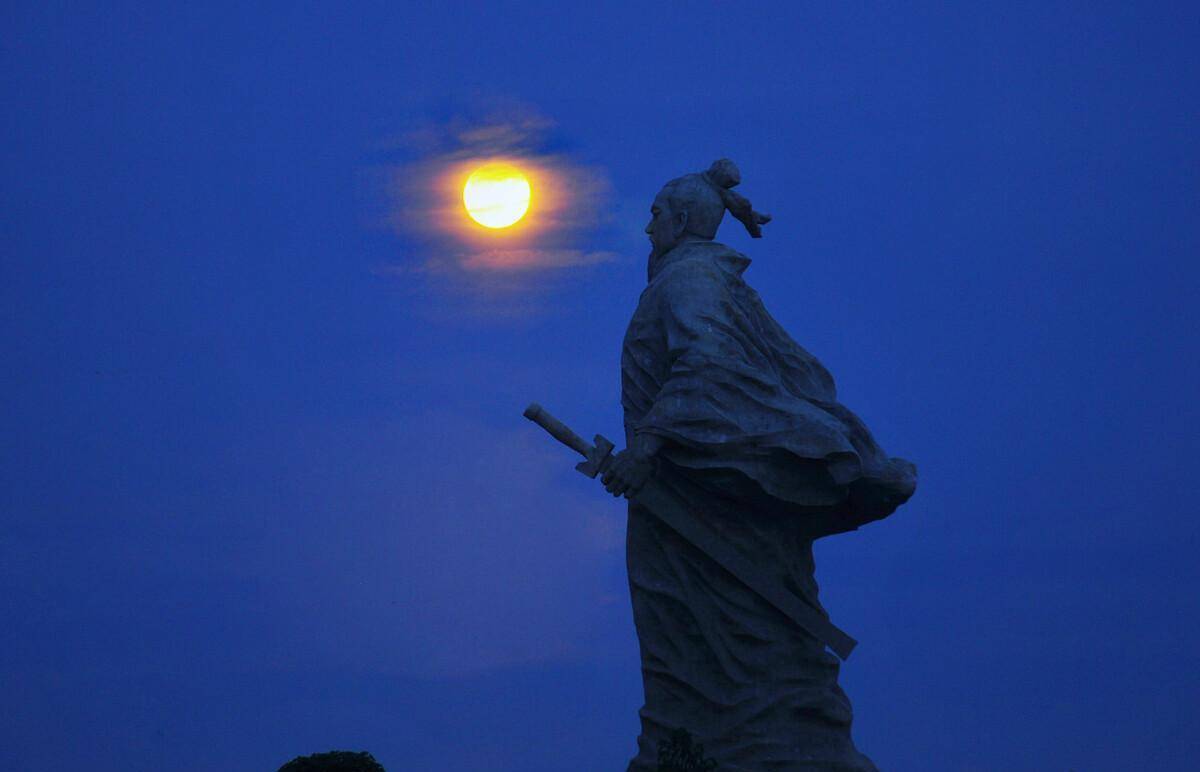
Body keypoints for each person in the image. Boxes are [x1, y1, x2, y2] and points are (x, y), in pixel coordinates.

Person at [601, 160, 917, 771]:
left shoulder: (688, 283)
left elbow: (708, 362)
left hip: (697, 501)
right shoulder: (699, 279)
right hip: (688, 498)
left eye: (656, 215)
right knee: (708, 644)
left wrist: (645, 448)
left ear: (684, 220)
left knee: (734, 640)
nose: (647, 228)